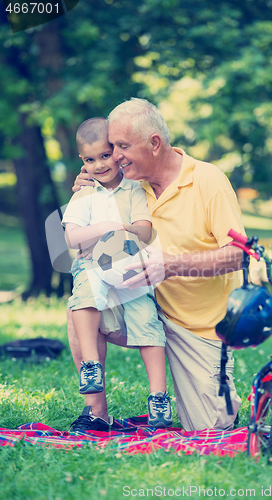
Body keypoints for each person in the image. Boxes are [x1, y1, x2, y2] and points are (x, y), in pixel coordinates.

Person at [68, 98, 245, 432]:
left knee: (210, 427)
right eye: (110, 148)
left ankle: (217, 393)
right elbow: (83, 227)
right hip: (140, 302)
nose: (114, 156)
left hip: (197, 327)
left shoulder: (208, 180)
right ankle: (96, 414)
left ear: (154, 143)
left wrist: (173, 265)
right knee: (83, 300)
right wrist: (86, 188)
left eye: (121, 146)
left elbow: (238, 255)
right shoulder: (126, 183)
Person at [62, 117, 172, 428]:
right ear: (82, 162)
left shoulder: (135, 190)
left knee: (148, 323)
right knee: (83, 297)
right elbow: (71, 237)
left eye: (105, 155)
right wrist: (103, 228)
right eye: (90, 159)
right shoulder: (84, 194)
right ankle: (91, 366)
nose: (99, 165)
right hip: (92, 264)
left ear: (117, 152)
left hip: (131, 266)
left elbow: (145, 230)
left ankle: (159, 399)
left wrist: (122, 228)